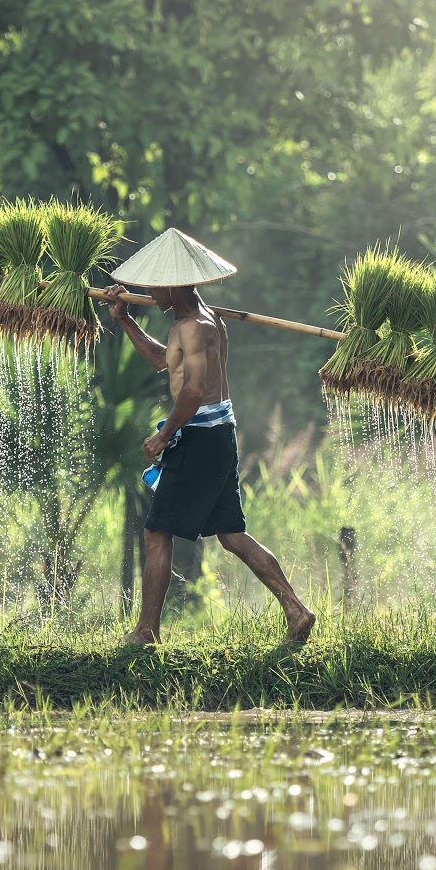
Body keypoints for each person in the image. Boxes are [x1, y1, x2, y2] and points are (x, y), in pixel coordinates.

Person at [99, 227, 316, 647]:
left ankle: (146, 630)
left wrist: (164, 434)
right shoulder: (198, 321)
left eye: (153, 284)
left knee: (156, 531)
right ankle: (296, 609)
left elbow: (194, 392)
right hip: (218, 434)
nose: (148, 291)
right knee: (231, 534)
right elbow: (164, 361)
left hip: (200, 438)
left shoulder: (196, 326)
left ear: (172, 285)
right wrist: (123, 319)